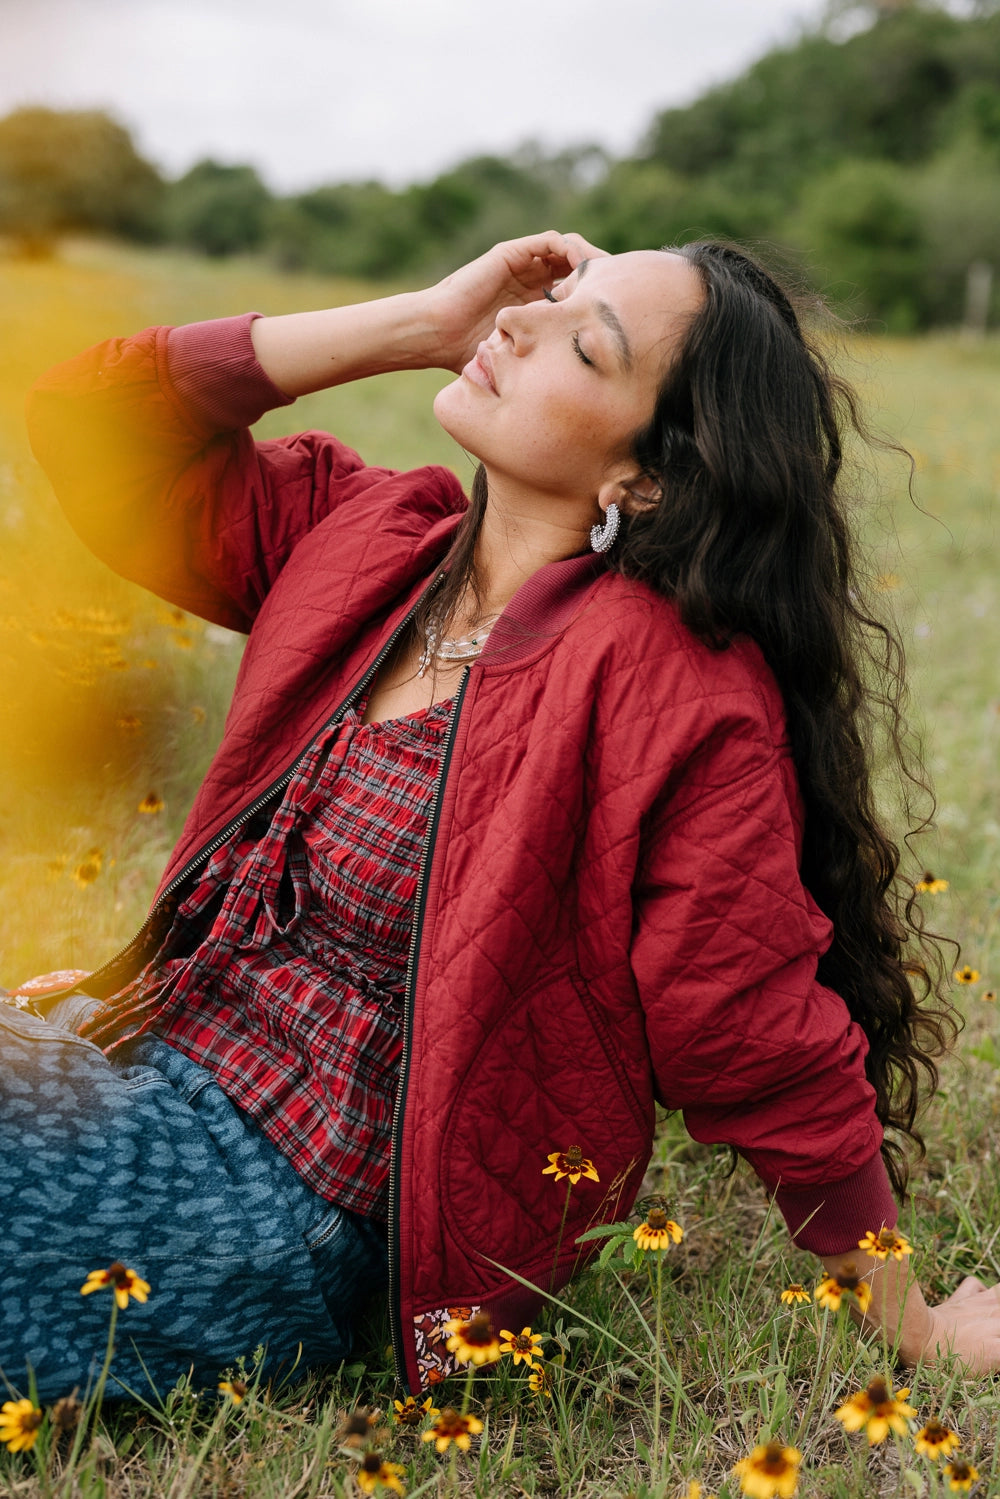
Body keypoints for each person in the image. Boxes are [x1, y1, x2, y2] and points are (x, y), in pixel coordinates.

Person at [5, 230, 999, 1403]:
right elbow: (86, 416)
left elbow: (749, 1020)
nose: (520, 323)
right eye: (555, 295)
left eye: (583, 342)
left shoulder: (667, 683)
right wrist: (414, 322)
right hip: (123, 1066)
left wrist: (912, 1319)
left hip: (275, 1200)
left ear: (649, 478)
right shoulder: (370, 541)